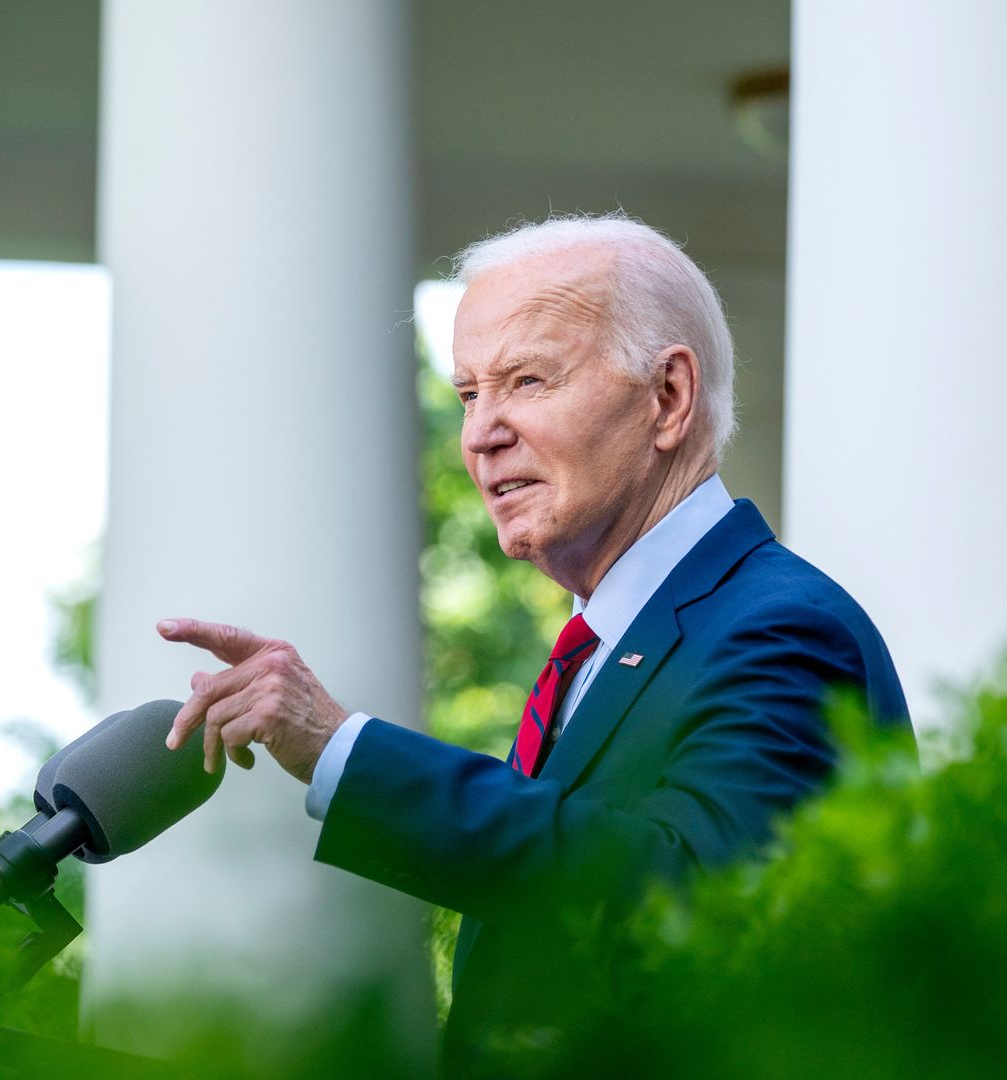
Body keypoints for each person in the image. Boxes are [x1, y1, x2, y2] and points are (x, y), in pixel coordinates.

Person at [157, 212, 909, 1062]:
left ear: (668, 398)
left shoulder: (779, 626)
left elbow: (688, 903)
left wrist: (341, 749)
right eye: (469, 394)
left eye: (526, 381)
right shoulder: (606, 646)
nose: (479, 434)